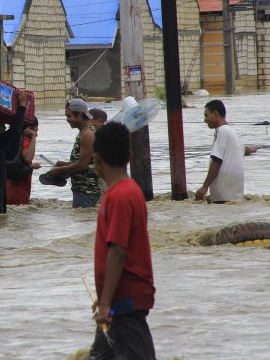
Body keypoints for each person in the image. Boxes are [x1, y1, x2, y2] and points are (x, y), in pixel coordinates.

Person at [90, 122, 156, 360]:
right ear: (129, 155)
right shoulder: (126, 190)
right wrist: (105, 295)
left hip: (126, 301)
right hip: (118, 297)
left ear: (96, 159)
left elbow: (117, 250)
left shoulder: (119, 196)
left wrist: (106, 302)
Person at [195, 99, 257, 203]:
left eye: (206, 115)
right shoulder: (231, 132)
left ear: (215, 114)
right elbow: (243, 149)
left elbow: (216, 160)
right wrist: (249, 149)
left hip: (222, 198)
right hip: (235, 197)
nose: (205, 120)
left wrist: (204, 187)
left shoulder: (222, 131)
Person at [47, 98, 102, 208]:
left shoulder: (87, 134)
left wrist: (58, 170)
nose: (67, 120)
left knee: (83, 223)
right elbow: (84, 161)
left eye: (69, 116)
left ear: (80, 115)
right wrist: (65, 164)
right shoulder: (84, 132)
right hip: (82, 190)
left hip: (86, 190)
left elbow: (83, 165)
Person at [6, 117, 42, 205]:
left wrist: (31, 165)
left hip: (9, 187)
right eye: (36, 130)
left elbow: (18, 161)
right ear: (30, 129)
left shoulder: (14, 139)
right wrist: (33, 138)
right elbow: (27, 158)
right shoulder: (25, 140)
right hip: (18, 190)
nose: (37, 134)